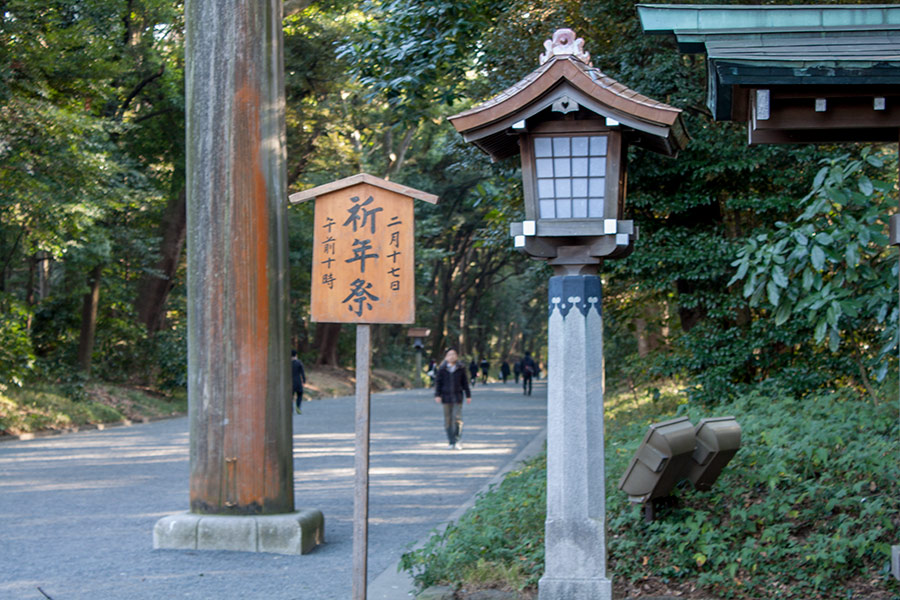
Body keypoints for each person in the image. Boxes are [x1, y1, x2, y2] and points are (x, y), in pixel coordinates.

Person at [434, 348, 472, 450]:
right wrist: (437, 395)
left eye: (453, 354)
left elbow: (465, 383)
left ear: (456, 356)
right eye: (449, 354)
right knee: (448, 420)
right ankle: (451, 441)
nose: (452, 356)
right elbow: (438, 382)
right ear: (446, 357)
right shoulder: (442, 369)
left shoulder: (461, 368)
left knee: (457, 418)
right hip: (446, 397)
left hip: (457, 397)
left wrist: (468, 395)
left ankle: (457, 440)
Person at [291, 350, 307, 414]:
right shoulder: (299, 363)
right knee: (300, 394)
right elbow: (302, 372)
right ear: (296, 355)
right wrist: (304, 380)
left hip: (290, 383)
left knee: (290, 396)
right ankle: (298, 406)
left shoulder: (287, 364)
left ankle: (291, 409)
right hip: (298, 382)